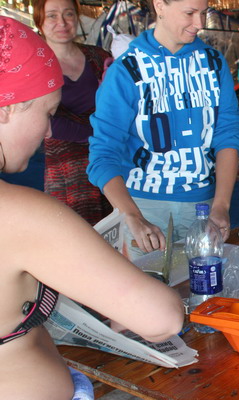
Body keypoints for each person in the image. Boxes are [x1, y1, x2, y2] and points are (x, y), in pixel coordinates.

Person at [0, 17, 184, 400]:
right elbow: (161, 318)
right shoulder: (21, 213)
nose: (48, 131)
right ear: (7, 109)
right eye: (48, 113)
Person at [87, 0, 239, 259]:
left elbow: (227, 136)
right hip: (143, 206)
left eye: (204, 13)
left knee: (204, 291)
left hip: (202, 206)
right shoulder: (127, 70)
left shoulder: (214, 64)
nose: (200, 24)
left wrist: (221, 205)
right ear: (160, 6)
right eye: (190, 13)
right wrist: (132, 216)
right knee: (146, 292)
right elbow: (102, 155)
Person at [32, 0, 113, 226]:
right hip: (66, 171)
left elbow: (120, 106)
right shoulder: (35, 65)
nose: (62, 22)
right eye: (52, 16)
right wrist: (101, 134)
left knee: (115, 232)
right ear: (39, 21)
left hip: (108, 161)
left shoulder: (98, 56)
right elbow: (48, 125)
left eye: (68, 14)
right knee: (75, 236)